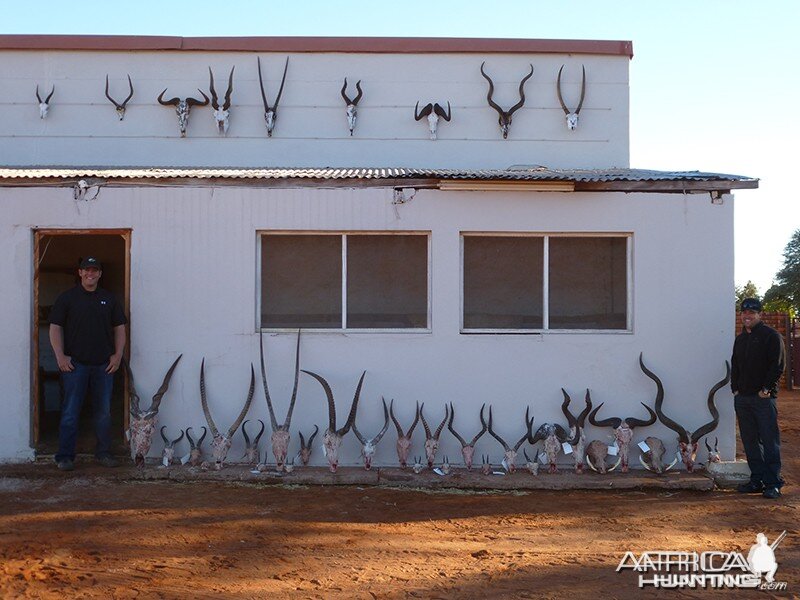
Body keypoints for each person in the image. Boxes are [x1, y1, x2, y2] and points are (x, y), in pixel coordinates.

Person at [49, 256, 127, 471]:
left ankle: (103, 453)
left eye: (95, 270)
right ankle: (65, 457)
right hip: (75, 366)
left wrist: (117, 355)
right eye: (87, 270)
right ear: (80, 273)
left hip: (104, 366)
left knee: (104, 413)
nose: (90, 274)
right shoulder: (67, 298)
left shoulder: (108, 299)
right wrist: (60, 357)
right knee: (70, 412)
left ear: (100, 274)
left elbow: (119, 328)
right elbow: (55, 327)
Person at [731, 298, 785, 499]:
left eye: (752, 313)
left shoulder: (771, 336)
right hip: (742, 399)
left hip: (763, 399)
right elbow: (735, 365)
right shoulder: (741, 339)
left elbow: (778, 365)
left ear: (759, 314)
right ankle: (757, 480)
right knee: (750, 441)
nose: (747, 315)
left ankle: (773, 483)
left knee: (769, 442)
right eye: (744, 312)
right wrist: (734, 388)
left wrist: (766, 389)